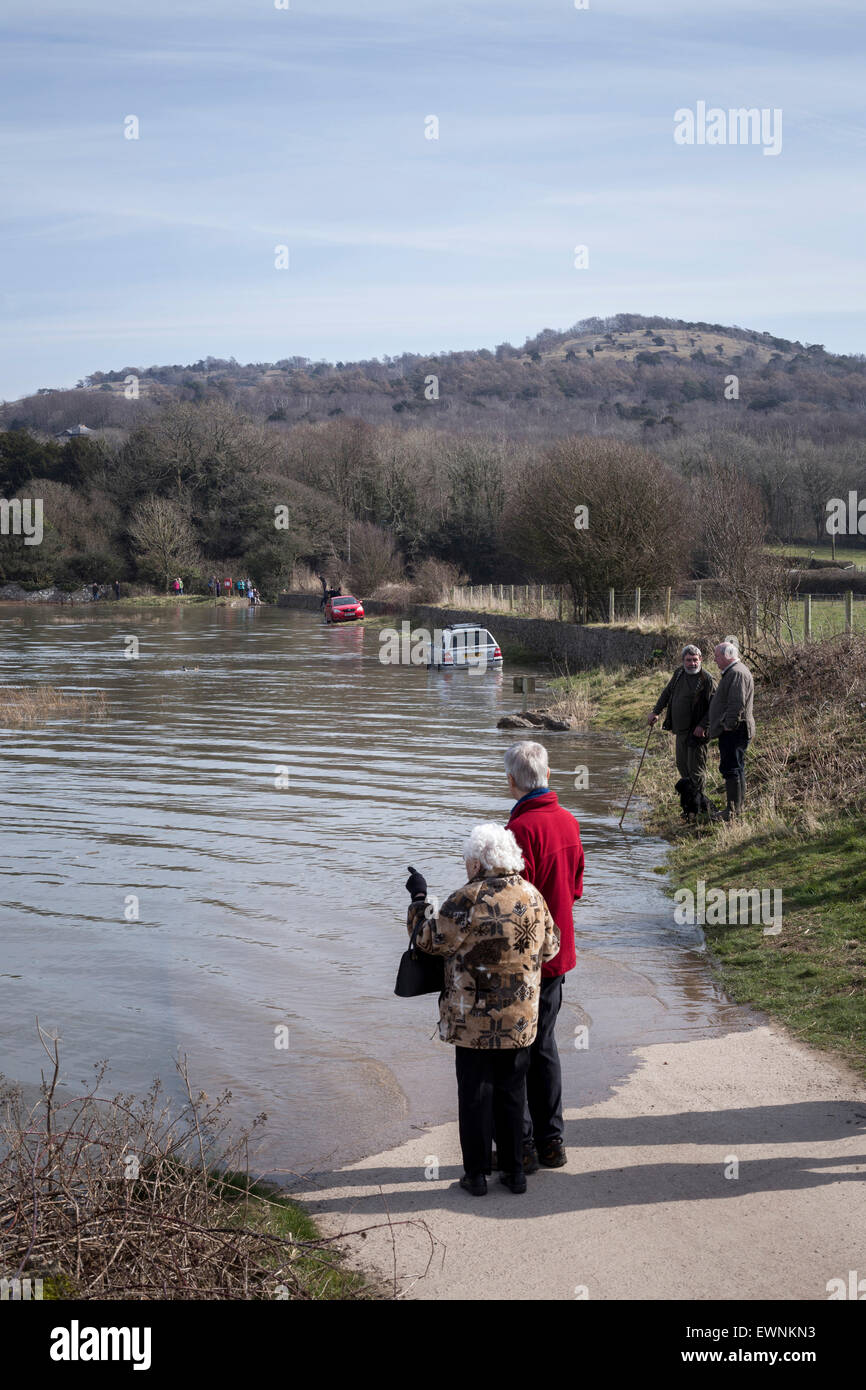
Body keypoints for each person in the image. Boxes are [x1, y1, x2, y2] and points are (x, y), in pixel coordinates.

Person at [405, 824, 559, 1196]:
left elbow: (425, 939)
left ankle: (475, 1175)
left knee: (474, 1093)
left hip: (472, 1018)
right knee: (512, 1091)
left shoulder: (465, 900)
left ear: (477, 863)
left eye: (466, 861)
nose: (465, 867)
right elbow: (551, 948)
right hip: (519, 1016)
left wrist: (418, 899)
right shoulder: (533, 896)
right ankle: (514, 1172)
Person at [503, 741, 584, 1173]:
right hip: (559, 954)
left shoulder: (518, 832)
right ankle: (553, 1143)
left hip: (526, 960)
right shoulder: (569, 822)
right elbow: (574, 888)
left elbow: (514, 902)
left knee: (519, 1049)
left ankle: (525, 1146)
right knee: (545, 1045)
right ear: (548, 776)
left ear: (512, 781)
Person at [648, 644, 716, 820]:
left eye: (695, 660)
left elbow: (715, 707)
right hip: (680, 731)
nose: (692, 663)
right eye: (689, 660)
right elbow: (667, 693)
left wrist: (703, 725)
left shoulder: (707, 679)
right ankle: (689, 807)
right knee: (682, 767)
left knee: (696, 771)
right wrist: (656, 711)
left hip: (697, 734)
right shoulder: (679, 674)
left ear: (700, 659)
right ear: (683, 660)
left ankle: (699, 809)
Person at [705, 640, 755, 821]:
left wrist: (728, 724)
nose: (715, 659)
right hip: (734, 729)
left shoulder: (737, 673)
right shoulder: (733, 672)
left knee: (732, 768)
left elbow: (737, 703)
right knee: (735, 768)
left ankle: (732, 811)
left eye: (717, 656)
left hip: (735, 730)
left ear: (727, 656)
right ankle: (736, 809)